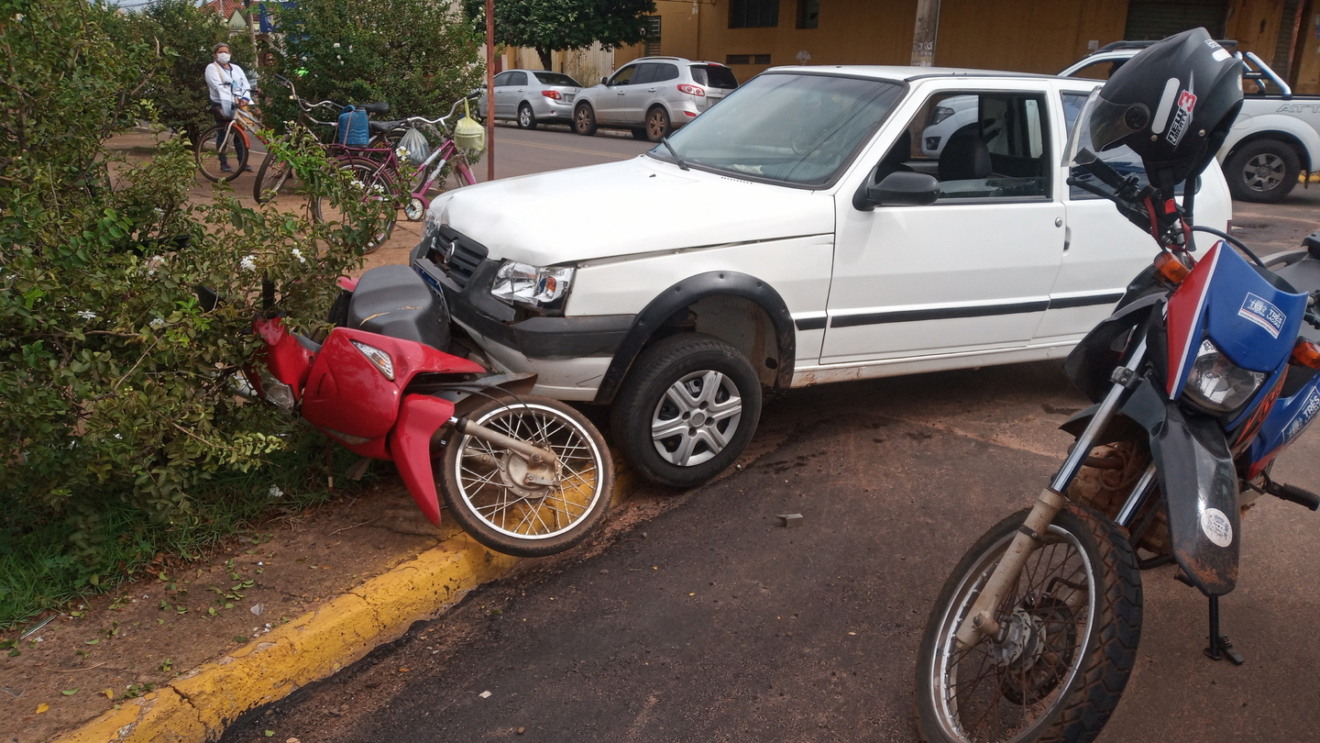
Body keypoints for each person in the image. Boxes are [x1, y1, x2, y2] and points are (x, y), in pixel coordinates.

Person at [204, 43, 254, 172]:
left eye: (226, 52)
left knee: (239, 134)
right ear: (215, 54)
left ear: (230, 53)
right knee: (224, 132)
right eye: (220, 52)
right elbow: (218, 86)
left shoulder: (236, 68)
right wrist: (234, 99)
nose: (224, 54)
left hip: (239, 104)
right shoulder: (212, 68)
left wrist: (245, 98)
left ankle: (242, 162)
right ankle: (223, 162)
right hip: (222, 103)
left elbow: (245, 84)